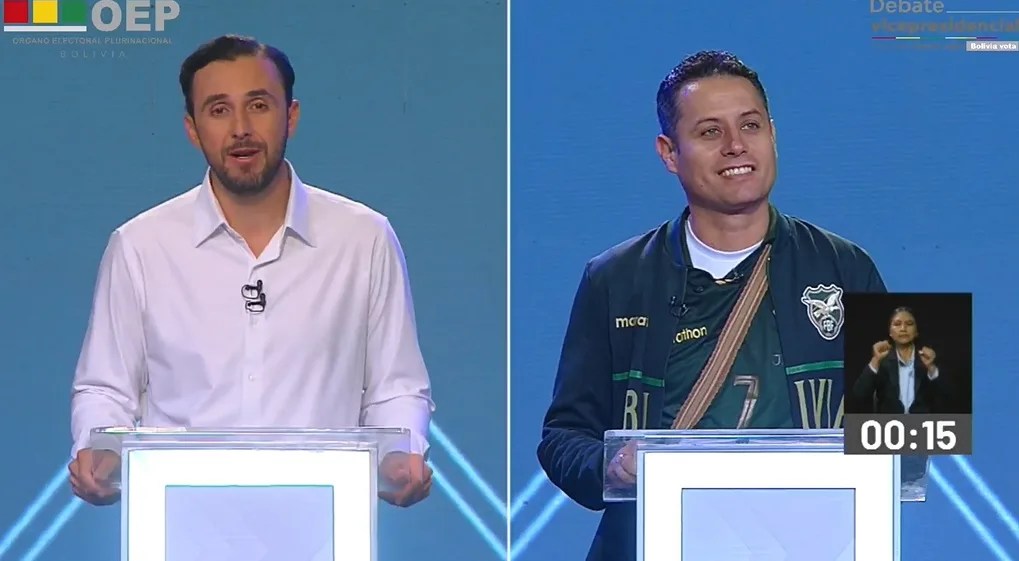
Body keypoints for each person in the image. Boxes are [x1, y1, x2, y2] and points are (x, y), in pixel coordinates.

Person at [536, 50, 887, 561]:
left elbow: (912, 438)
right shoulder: (613, 278)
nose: (736, 145)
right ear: (669, 153)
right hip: (655, 542)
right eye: (709, 132)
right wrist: (610, 466)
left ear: (773, 135)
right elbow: (562, 438)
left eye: (751, 125)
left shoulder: (849, 266)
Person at [67, 35, 434, 508]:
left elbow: (396, 387)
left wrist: (400, 455)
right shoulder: (141, 246)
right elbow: (105, 388)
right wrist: (99, 450)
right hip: (180, 519)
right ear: (192, 129)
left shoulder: (363, 238)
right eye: (219, 110)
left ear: (291, 117)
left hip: (323, 519)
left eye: (258, 105)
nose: (241, 129)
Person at [852, 306, 948, 415]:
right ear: (890, 332)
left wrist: (931, 368)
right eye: (897, 324)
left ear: (916, 331)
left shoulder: (929, 358)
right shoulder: (882, 361)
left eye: (909, 324)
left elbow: (949, 396)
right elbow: (859, 395)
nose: (903, 328)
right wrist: (875, 360)